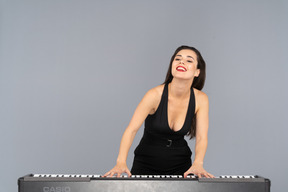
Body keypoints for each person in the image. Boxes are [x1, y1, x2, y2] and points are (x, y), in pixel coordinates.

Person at [104, 45, 214, 178]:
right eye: (177, 59)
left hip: (180, 164)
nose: (181, 62)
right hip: (146, 163)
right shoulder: (154, 95)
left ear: (197, 72)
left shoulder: (201, 99)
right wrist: (120, 162)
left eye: (189, 60)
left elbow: (202, 137)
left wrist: (198, 163)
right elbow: (131, 130)